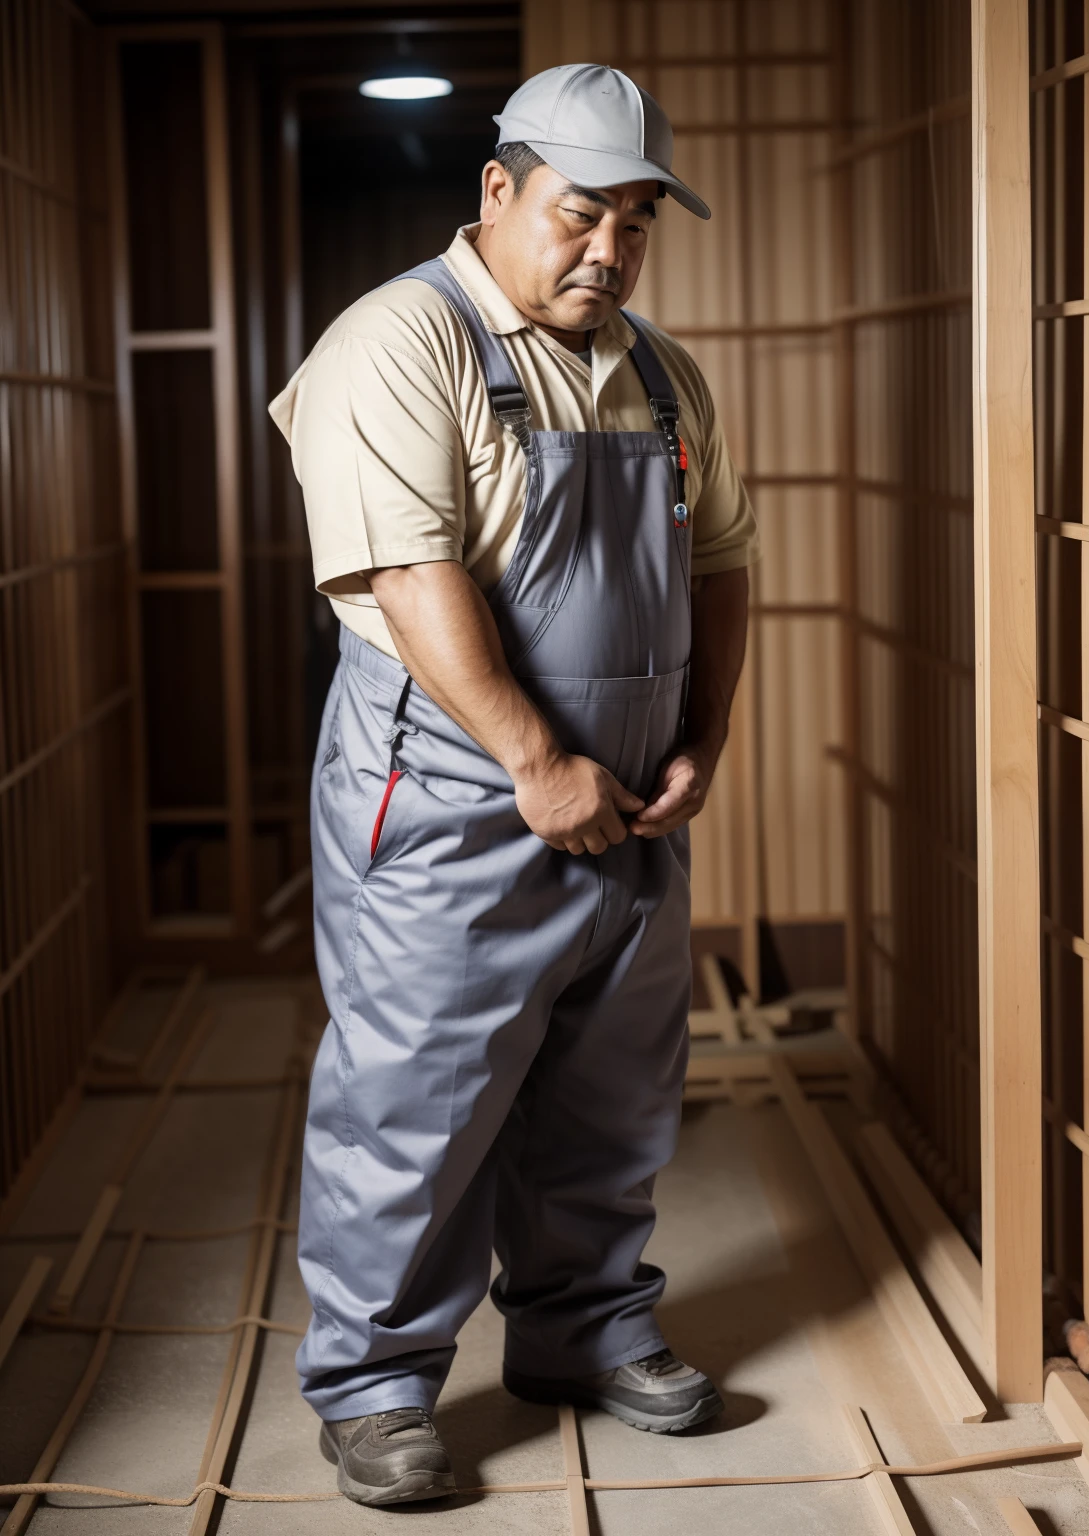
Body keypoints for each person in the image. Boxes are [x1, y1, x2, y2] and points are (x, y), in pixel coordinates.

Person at [269, 62, 757, 1509]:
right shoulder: (398, 343)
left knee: (609, 1086)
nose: (608, 249)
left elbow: (721, 565)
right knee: (418, 1094)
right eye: (579, 214)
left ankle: (582, 1328)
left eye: (636, 224)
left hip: (631, 793)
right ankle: (374, 1387)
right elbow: (411, 576)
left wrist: (705, 739)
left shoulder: (662, 370)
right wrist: (537, 762)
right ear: (499, 192)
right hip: (447, 795)